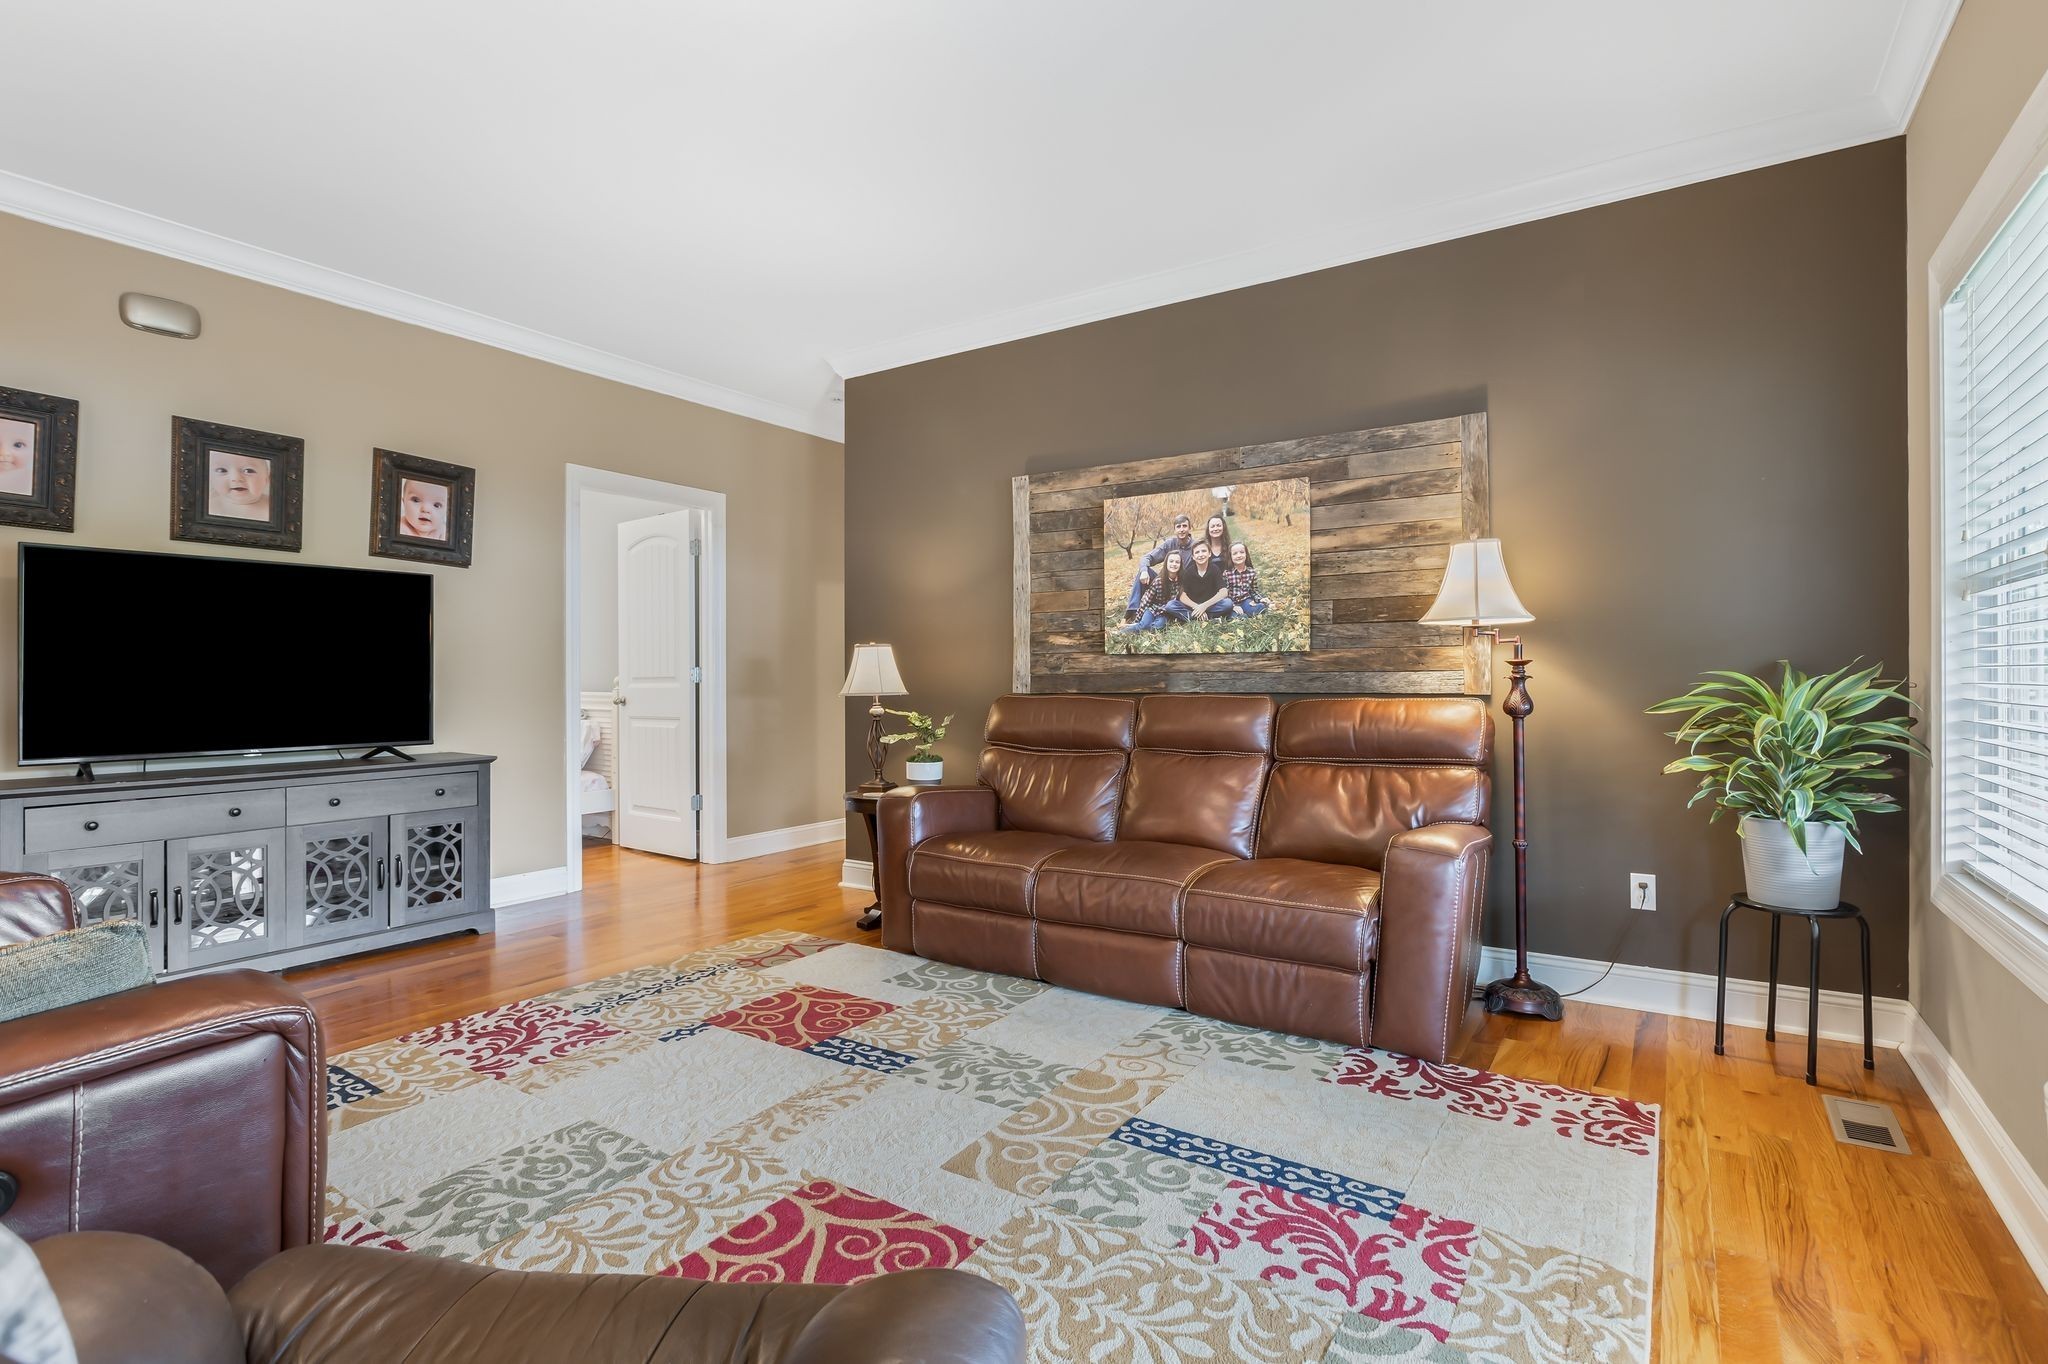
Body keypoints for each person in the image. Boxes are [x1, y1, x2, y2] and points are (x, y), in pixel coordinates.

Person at [1124, 513, 1196, 620]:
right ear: (1174, 530)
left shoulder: (1195, 546)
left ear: (1190, 528)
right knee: (1143, 571)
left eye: (1184, 526)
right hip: (1166, 582)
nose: (1181, 529)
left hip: (1182, 588)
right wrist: (1144, 571)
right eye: (1178, 527)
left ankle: (1169, 611)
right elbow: (1147, 558)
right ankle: (1132, 613)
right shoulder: (1170, 544)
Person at [1117, 548, 1191, 632]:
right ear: (1166, 563)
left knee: (1158, 627)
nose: (1174, 564)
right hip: (1152, 610)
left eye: (1177, 562)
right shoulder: (1158, 581)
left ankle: (1135, 626)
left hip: (1164, 613)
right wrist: (1138, 619)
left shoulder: (1181, 582)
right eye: (1171, 561)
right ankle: (1118, 633)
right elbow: (1146, 601)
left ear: (1181, 565)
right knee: (1144, 625)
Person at [207, 450, 271, 522]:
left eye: (248, 471)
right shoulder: (209, 506)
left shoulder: (276, 506)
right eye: (222, 470)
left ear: (267, 478)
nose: (236, 478)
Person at [1179, 540, 1234, 620]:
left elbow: (1224, 592)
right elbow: (1182, 596)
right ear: (1193, 557)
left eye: (1204, 551)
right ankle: (1204, 616)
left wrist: (1204, 606)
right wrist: (1198, 607)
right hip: (1193, 606)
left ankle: (1194, 616)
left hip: (1210, 605)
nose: (1200, 555)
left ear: (1209, 554)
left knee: (1228, 603)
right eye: (1197, 552)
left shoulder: (1214, 569)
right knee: (1171, 605)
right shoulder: (1189, 572)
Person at [1222, 541, 1269, 617]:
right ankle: (1237, 615)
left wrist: (1260, 599)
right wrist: (1233, 606)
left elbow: (1253, 590)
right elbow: (1225, 594)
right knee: (1239, 617)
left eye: (1242, 552)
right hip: (1232, 602)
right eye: (1235, 553)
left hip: (1245, 600)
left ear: (1246, 554)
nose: (1239, 555)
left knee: (1259, 609)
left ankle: (1253, 608)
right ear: (1230, 557)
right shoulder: (1227, 574)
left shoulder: (1251, 572)